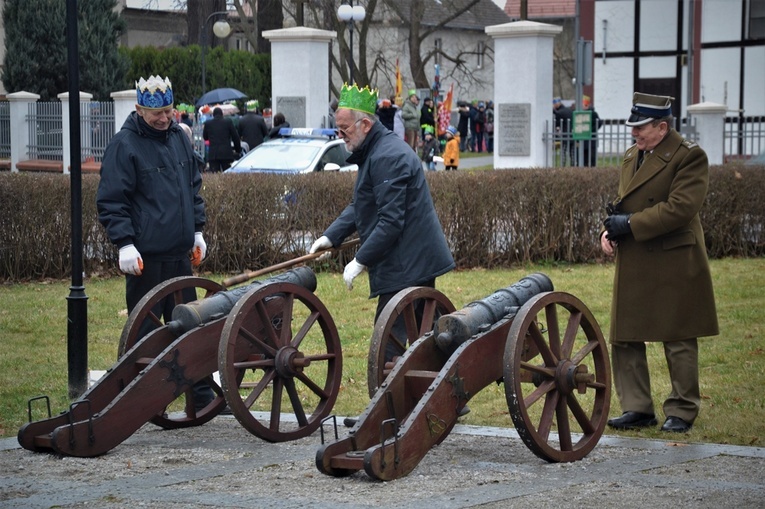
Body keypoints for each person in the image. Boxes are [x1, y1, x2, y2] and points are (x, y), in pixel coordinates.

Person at [308, 83, 455, 357]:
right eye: (337, 130)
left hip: (409, 266)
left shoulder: (387, 156)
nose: (340, 137)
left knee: (389, 350)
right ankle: (446, 397)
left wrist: (360, 260)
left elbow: (390, 222)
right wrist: (330, 237)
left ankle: (410, 399)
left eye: (344, 130)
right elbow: (361, 205)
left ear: (365, 124)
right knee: (433, 345)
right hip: (407, 262)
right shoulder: (375, 150)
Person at [601, 92, 719, 433]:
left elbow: (681, 208)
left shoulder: (689, 157)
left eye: (640, 128)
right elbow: (623, 202)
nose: (633, 134)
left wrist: (631, 225)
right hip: (637, 255)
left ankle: (682, 409)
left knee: (677, 335)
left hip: (673, 257)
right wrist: (608, 231)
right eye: (632, 127)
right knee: (625, 335)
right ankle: (637, 407)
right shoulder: (631, 156)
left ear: (662, 127)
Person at [96, 75, 213, 411]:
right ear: (138, 110)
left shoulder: (178, 137)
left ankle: (201, 395)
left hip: (179, 255)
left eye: (168, 111)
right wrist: (125, 244)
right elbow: (111, 200)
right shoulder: (124, 146)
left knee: (192, 326)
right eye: (156, 113)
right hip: (145, 257)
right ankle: (149, 400)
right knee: (146, 331)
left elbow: (193, 188)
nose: (163, 119)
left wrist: (197, 231)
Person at [202, 106, 241, 172]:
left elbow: (205, 137)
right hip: (226, 153)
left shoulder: (208, 123)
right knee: (227, 174)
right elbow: (235, 137)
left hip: (214, 154)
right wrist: (238, 149)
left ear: (213, 115)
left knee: (215, 176)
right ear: (222, 114)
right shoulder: (228, 122)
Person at [581, 95, 603, 167]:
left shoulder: (593, 114)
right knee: (584, 157)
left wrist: (591, 130)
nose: (583, 106)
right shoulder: (581, 113)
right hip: (584, 138)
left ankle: (592, 169)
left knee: (592, 156)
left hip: (591, 138)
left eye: (585, 105)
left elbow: (599, 123)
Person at [553, 97, 574, 166]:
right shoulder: (569, 110)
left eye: (554, 104)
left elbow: (557, 125)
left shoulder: (559, 113)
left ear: (556, 104)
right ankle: (574, 167)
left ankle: (562, 167)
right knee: (572, 153)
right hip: (572, 135)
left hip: (565, 135)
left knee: (563, 153)